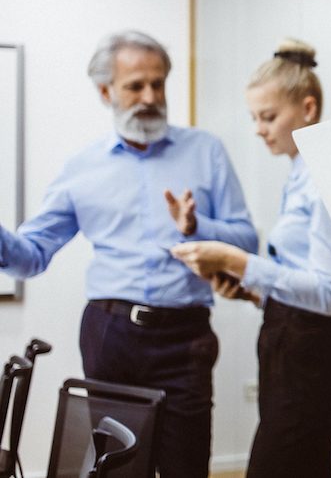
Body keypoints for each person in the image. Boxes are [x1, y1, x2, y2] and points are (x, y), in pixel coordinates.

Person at [0, 30, 257, 478]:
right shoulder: (82, 168)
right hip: (110, 336)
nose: (150, 96)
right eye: (136, 85)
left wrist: (198, 228)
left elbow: (247, 244)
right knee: (117, 468)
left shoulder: (206, 150)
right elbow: (31, 256)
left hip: (186, 338)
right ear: (106, 92)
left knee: (187, 467)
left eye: (158, 84)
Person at [171, 39, 331, 478]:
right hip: (286, 347)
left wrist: (237, 261)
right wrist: (253, 293)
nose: (259, 129)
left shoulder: (325, 177)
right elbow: (300, 279)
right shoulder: (299, 171)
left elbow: (329, 294)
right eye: (254, 118)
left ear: (308, 109)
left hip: (311, 361)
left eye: (268, 117)